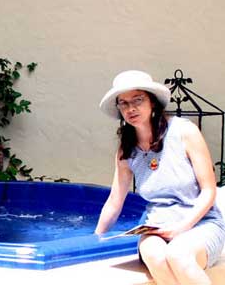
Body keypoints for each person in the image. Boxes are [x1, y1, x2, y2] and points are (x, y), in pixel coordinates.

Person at [95, 70, 225, 285]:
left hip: (200, 223)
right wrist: (96, 238)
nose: (130, 108)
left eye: (138, 100)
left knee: (178, 255)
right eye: (123, 103)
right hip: (156, 227)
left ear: (153, 102)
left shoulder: (184, 131)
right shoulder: (126, 150)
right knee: (156, 256)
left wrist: (181, 227)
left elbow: (209, 190)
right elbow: (114, 201)